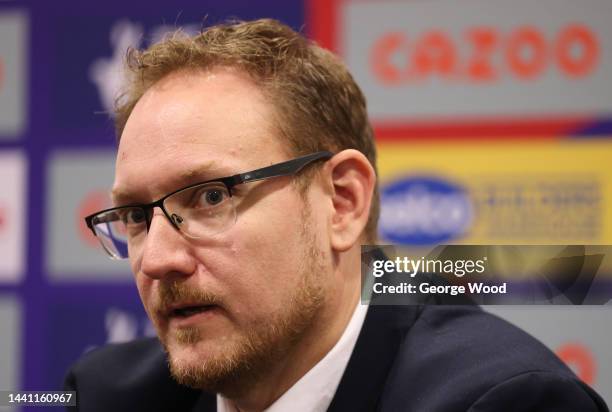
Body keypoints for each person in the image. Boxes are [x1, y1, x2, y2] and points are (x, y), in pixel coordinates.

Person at [65, 18, 608, 412]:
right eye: (136, 215)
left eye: (210, 197)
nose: (157, 259)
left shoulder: (501, 402)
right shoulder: (108, 395)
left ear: (342, 202)